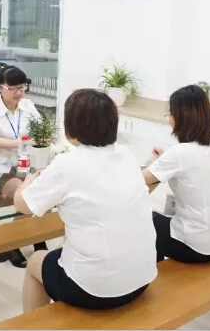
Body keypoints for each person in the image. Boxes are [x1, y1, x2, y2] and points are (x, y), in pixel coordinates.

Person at [12, 89, 157, 313]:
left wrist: (25, 184)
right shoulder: (127, 155)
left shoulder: (68, 163)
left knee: (35, 262)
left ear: (70, 129)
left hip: (93, 289)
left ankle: (33, 328)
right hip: (141, 278)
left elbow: (23, 205)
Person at [142, 85, 210, 263]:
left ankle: (156, 274)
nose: (168, 119)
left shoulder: (180, 153)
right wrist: (163, 163)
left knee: (144, 222)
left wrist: (153, 163)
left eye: (170, 113)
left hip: (196, 248)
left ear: (181, 118)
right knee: (160, 221)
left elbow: (139, 182)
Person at [0, 62, 46, 268]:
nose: (19, 93)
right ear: (0, 87)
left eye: (22, 87)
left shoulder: (28, 106)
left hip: (26, 164)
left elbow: (41, 132)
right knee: (25, 192)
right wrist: (21, 143)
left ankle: (34, 237)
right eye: (13, 88)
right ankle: (17, 242)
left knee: (44, 188)